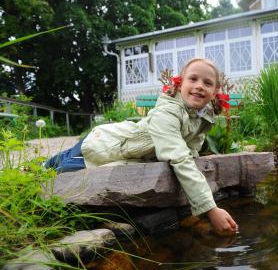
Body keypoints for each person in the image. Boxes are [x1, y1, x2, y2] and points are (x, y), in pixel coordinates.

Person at [45, 58, 238, 233]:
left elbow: (191, 148)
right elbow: (179, 157)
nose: (199, 86)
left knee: (62, 164)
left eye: (207, 83)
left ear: (214, 92)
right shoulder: (168, 114)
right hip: (106, 147)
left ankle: (44, 166)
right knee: (61, 168)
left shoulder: (203, 115)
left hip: (129, 152)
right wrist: (211, 209)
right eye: (193, 79)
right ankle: (41, 169)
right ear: (180, 84)